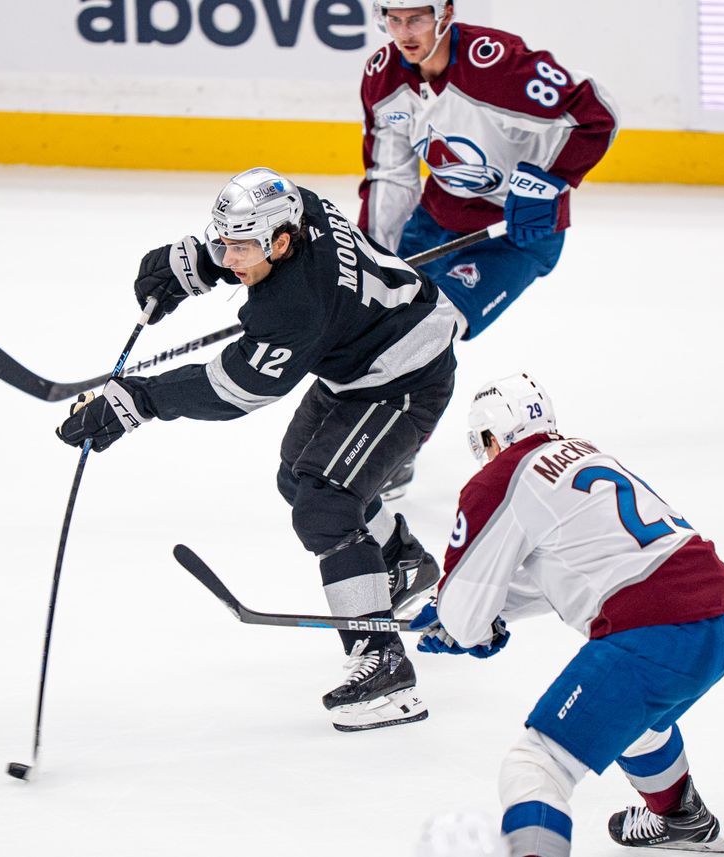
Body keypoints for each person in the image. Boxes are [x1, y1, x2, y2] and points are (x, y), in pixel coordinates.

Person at [56, 167, 456, 731]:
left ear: (282, 241)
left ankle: (384, 663)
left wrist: (137, 402)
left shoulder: (293, 310)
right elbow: (248, 245)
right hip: (361, 357)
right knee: (297, 477)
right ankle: (401, 563)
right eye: (225, 241)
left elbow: (234, 390)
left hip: (403, 378)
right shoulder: (298, 207)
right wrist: (194, 263)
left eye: (241, 248)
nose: (232, 256)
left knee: (326, 506)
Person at [410, 374, 724, 854]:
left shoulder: (501, 477)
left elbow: (464, 615)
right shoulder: (583, 454)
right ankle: (680, 816)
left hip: (654, 633)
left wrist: (462, 621)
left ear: (489, 435)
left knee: (535, 767)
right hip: (721, 619)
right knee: (631, 720)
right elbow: (564, 576)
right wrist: (480, 614)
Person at [359, 0, 619, 497]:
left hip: (516, 235)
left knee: (428, 332)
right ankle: (361, 434)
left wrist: (551, 180)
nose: (403, 32)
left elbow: (594, 112)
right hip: (437, 219)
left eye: (415, 18)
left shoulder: (494, 63)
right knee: (380, 324)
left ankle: (399, 449)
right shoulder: (382, 77)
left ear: (445, 13)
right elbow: (390, 172)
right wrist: (375, 254)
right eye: (393, 19)